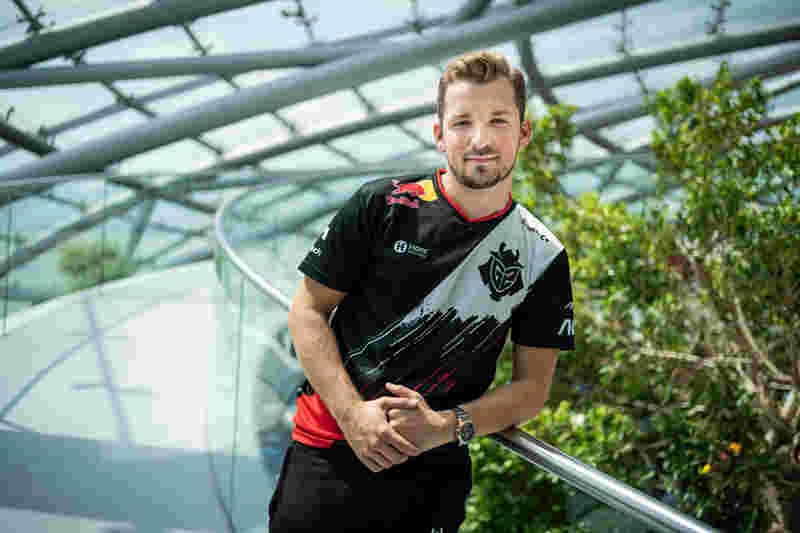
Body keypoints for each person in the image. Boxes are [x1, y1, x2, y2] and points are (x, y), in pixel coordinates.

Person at [268, 50, 575, 532]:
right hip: (329, 453)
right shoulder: (382, 204)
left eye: (498, 121)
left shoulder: (543, 255)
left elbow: (531, 391)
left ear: (523, 133)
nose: (480, 140)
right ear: (438, 134)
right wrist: (352, 415)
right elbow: (307, 310)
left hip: (434, 477)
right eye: (462, 123)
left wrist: (445, 427)